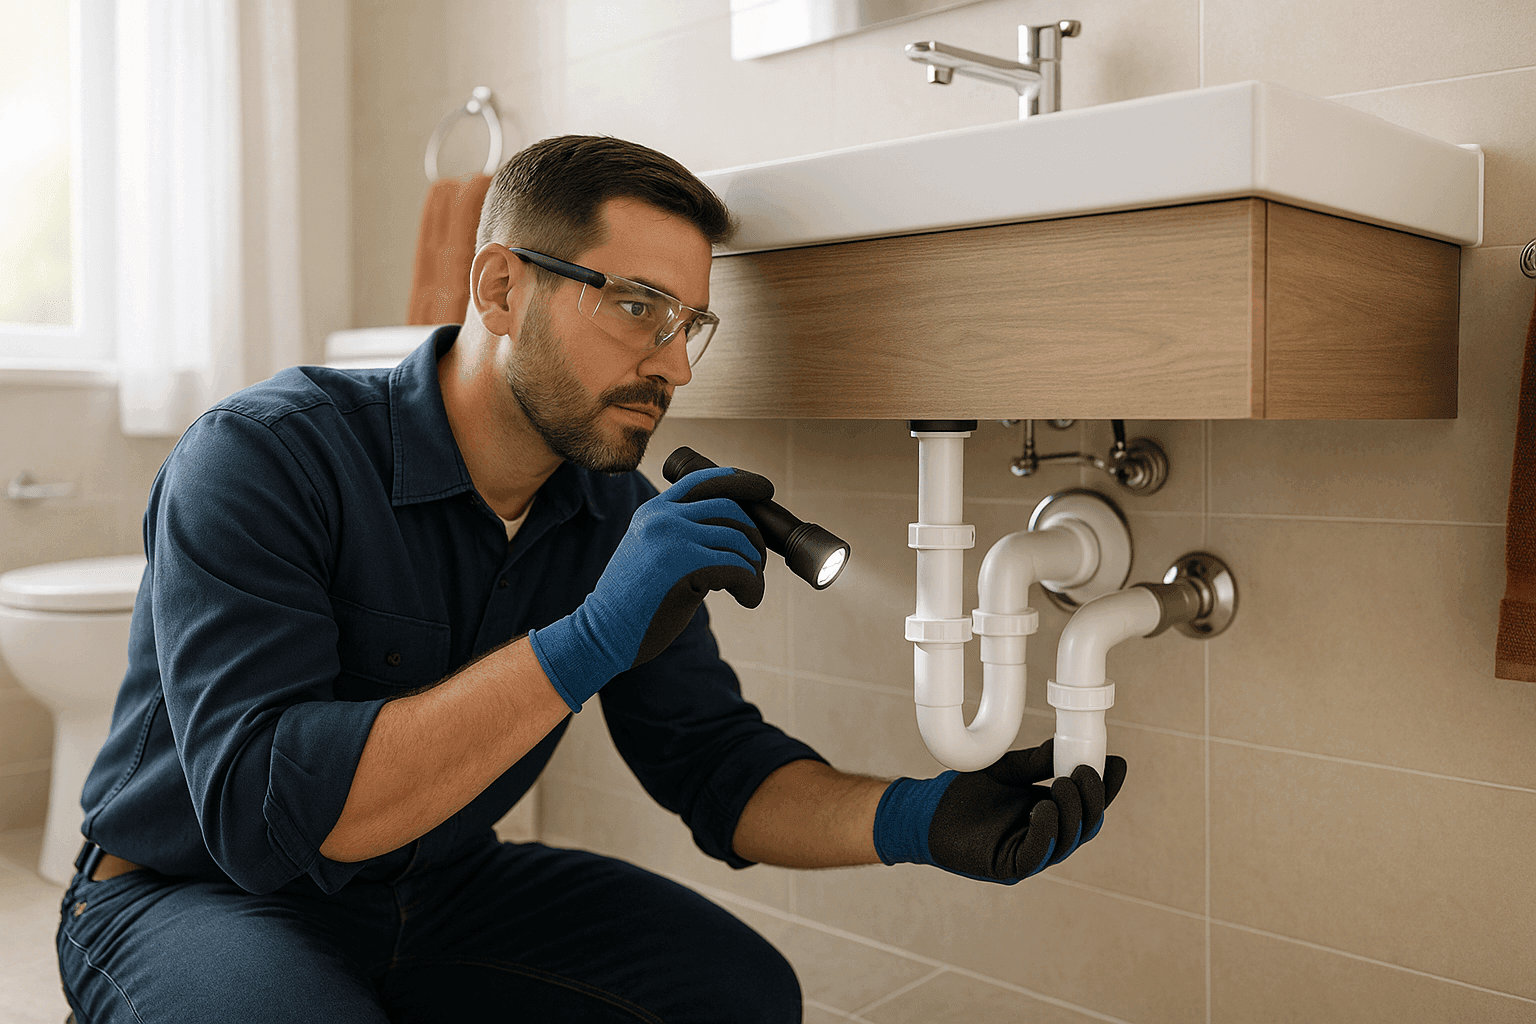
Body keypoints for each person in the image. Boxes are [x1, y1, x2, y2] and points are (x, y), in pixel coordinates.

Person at [56, 135, 1126, 1023]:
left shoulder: (607, 512)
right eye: (639, 307)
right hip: (191, 894)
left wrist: (921, 820)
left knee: (742, 995)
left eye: (692, 323)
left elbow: (713, 766)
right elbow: (264, 813)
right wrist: (586, 640)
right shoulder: (261, 458)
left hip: (438, 887)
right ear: (501, 286)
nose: (677, 365)